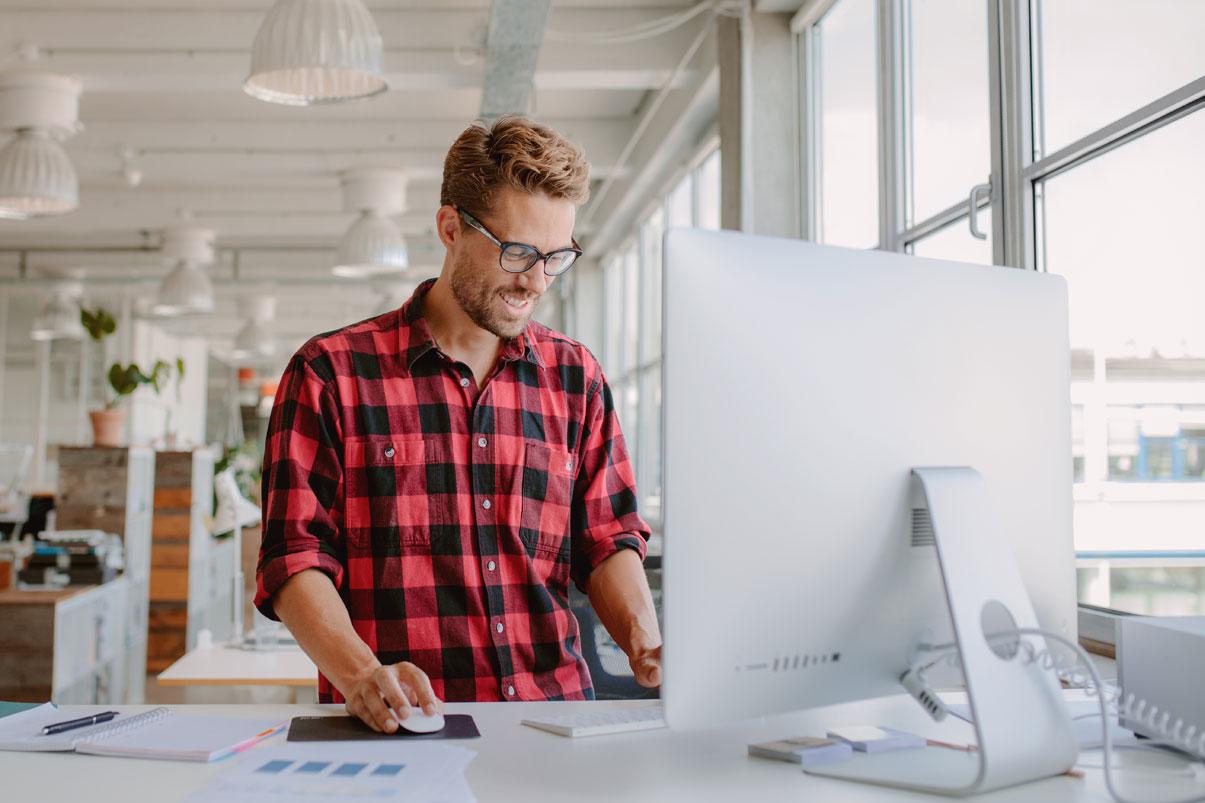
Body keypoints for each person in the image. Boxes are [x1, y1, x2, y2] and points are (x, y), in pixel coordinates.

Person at [254, 116, 662, 733]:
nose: (536, 280)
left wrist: (646, 644)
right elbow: (294, 558)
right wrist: (363, 674)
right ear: (451, 228)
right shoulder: (330, 374)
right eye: (519, 251)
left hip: (553, 724)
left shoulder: (576, 377)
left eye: (557, 257)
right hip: (401, 730)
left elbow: (607, 538)